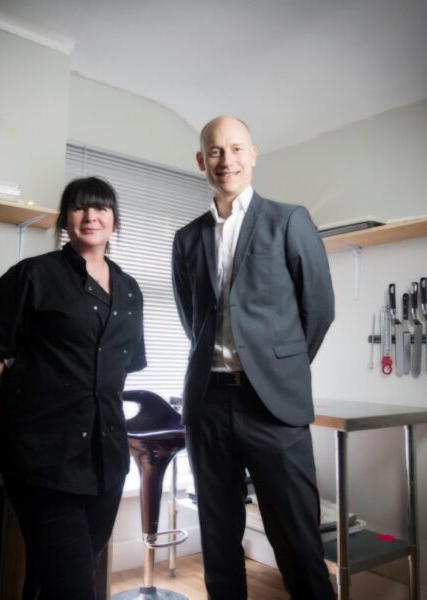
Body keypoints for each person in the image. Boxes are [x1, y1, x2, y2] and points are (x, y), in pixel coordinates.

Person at [171, 116, 335, 599]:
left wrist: (277, 369)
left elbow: (319, 309)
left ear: (253, 154)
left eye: (236, 148)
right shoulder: (187, 238)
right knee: (219, 542)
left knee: (298, 543)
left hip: (273, 407)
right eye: (215, 151)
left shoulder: (289, 220)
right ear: (201, 161)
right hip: (207, 403)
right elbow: (192, 318)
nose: (227, 160)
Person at [0, 176, 146, 599]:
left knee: (58, 576)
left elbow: (119, 371)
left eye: (101, 207)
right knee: (72, 587)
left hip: (107, 461)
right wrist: (15, 414)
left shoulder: (129, 290)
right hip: (43, 461)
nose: (91, 216)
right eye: (80, 207)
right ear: (66, 219)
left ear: (114, 220)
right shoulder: (32, 276)